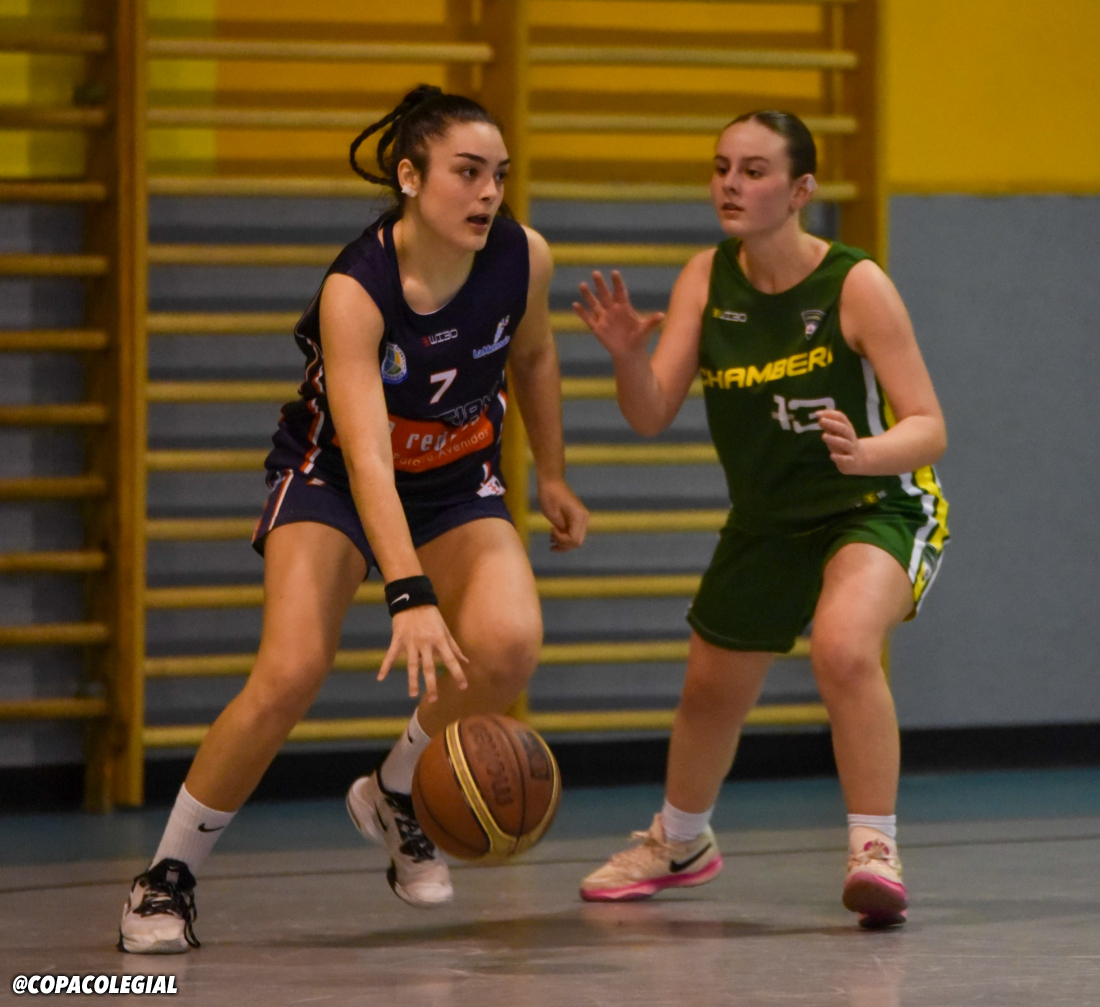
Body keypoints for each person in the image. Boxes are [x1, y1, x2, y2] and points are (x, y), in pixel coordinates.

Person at [118, 85, 588, 954]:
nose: (489, 192)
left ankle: (395, 788)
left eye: (499, 174)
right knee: (291, 670)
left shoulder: (524, 257)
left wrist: (553, 473)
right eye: (467, 172)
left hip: (454, 479)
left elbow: (534, 354)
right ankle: (166, 876)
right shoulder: (357, 288)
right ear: (410, 177)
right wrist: (409, 590)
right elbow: (370, 455)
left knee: (509, 645)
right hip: (332, 475)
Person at [574, 111, 948, 927]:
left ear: (801, 189)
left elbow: (929, 425)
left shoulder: (855, 284)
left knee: (843, 646)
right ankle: (680, 841)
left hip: (874, 503)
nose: (731, 185)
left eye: (753, 171)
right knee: (709, 690)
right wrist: (629, 357)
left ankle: (874, 847)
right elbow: (650, 412)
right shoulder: (705, 280)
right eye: (721, 168)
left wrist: (868, 452)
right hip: (768, 516)